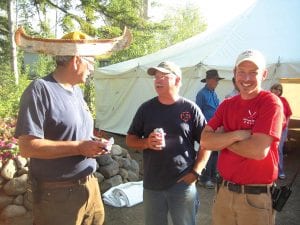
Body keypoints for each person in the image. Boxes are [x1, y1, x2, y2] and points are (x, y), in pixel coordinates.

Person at [14, 31, 114, 225]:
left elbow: (74, 134)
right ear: (76, 60)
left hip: (90, 186)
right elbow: (27, 147)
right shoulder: (40, 89)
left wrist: (94, 143)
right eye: (91, 62)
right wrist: (78, 147)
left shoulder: (76, 92)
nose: (92, 68)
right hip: (58, 195)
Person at [201, 49, 284, 225]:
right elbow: (205, 141)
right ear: (234, 73)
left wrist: (223, 139)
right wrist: (238, 135)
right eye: (242, 72)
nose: (246, 79)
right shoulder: (227, 104)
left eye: (253, 73)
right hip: (223, 192)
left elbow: (257, 150)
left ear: (264, 74)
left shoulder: (270, 102)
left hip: (255, 199)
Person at [126, 61, 210, 225]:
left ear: (177, 80)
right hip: (152, 183)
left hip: (182, 184)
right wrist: (146, 143)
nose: (158, 80)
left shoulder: (190, 109)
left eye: (163, 76)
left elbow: (207, 143)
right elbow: (130, 139)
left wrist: (196, 172)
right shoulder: (146, 108)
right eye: (156, 77)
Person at [195, 69, 224, 189]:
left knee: (215, 153)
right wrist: (202, 129)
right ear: (208, 80)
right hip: (206, 129)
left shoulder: (214, 93)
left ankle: (212, 176)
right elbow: (198, 112)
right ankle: (203, 178)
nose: (217, 82)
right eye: (215, 80)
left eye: (217, 80)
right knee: (206, 153)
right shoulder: (201, 94)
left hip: (215, 129)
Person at [270, 83, 292, 179]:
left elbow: (289, 114)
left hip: (282, 129)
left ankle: (280, 170)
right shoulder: (267, 99)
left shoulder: (284, 100)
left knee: (278, 149)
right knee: (268, 149)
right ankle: (270, 170)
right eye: (275, 89)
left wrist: (286, 125)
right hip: (270, 129)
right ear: (272, 89)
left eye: (279, 89)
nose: (277, 91)